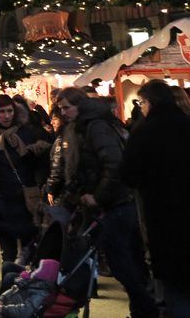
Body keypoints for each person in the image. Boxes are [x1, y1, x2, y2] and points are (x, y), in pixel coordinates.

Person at [55, 87, 157, 318]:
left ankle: (147, 309)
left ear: (79, 105)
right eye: (60, 109)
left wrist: (98, 196)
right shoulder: (91, 125)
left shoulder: (95, 126)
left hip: (114, 204)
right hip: (116, 203)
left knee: (121, 262)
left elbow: (113, 165)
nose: (63, 113)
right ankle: (143, 309)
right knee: (130, 261)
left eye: (66, 108)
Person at [121, 80, 190, 317]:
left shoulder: (144, 132)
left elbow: (128, 174)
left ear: (149, 102)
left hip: (161, 214)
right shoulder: (186, 125)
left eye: (141, 102)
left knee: (174, 283)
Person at [0, 95, 38, 265]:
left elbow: (36, 164)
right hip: (1, 200)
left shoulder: (26, 133)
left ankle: (27, 287)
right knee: (8, 252)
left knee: (30, 249)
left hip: (25, 198)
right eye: (2, 112)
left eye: (9, 111)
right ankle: (9, 285)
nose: (6, 116)